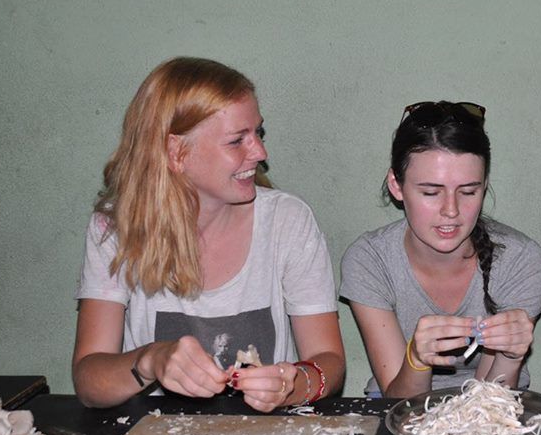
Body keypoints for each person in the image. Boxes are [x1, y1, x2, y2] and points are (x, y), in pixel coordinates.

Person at [72, 57, 345, 411]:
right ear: (176, 152)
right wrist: (151, 360)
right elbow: (89, 382)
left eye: (258, 133)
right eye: (237, 141)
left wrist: (293, 384)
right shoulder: (115, 230)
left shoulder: (286, 220)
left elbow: (329, 361)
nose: (260, 153)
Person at [340, 101, 541, 398]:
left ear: (485, 186)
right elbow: (398, 403)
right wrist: (417, 360)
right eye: (430, 192)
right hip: (399, 405)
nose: (451, 210)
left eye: (468, 191)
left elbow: (490, 404)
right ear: (396, 186)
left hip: (492, 403)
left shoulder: (519, 259)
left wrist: (511, 355)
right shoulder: (370, 259)